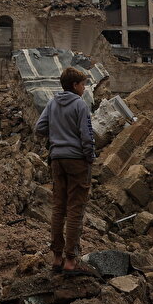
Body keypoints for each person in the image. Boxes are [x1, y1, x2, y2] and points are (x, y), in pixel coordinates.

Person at [35, 66, 96, 276]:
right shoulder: (80, 105)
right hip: (76, 161)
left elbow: (39, 128)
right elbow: (87, 136)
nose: (85, 88)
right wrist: (90, 157)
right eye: (83, 84)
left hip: (57, 160)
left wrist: (56, 137)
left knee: (58, 208)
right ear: (75, 85)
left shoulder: (52, 103)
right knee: (75, 209)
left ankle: (57, 257)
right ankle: (71, 260)